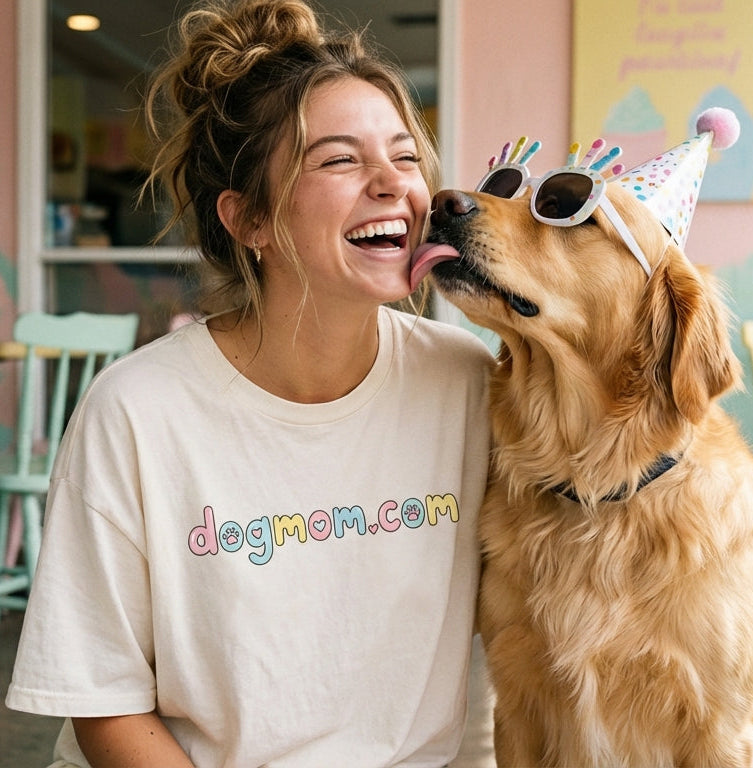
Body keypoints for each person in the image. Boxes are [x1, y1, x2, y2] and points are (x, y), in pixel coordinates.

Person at [6, 1, 494, 765]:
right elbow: (104, 703)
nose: (391, 185)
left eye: (404, 156)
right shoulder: (138, 412)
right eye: (339, 160)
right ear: (249, 220)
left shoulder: (466, 385)